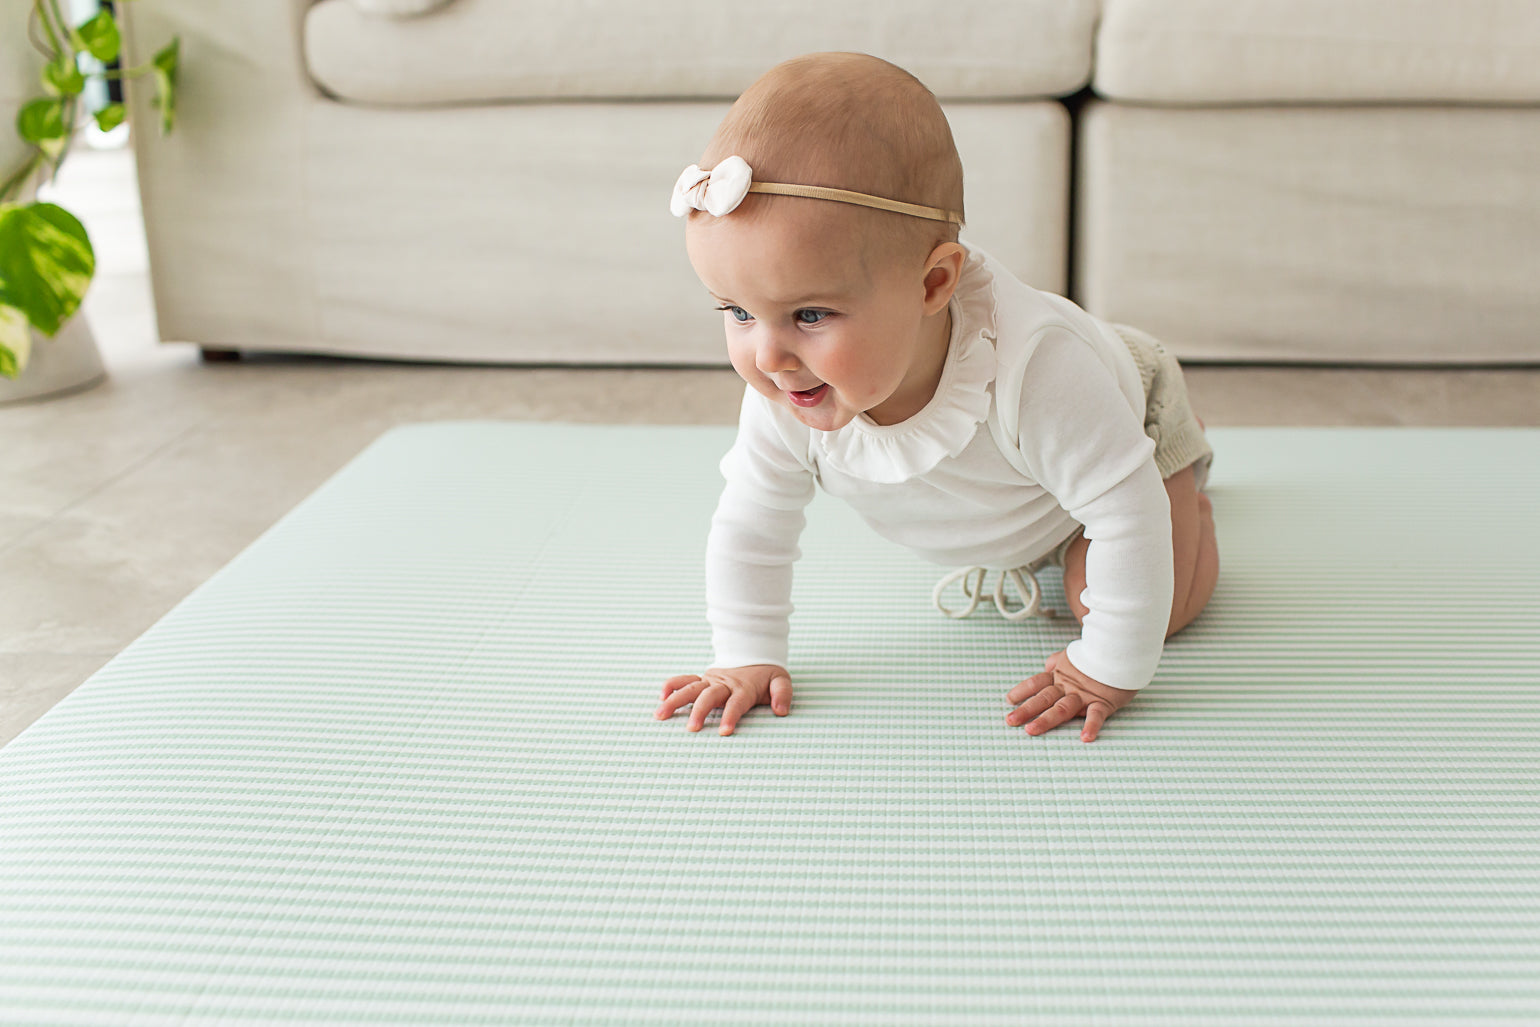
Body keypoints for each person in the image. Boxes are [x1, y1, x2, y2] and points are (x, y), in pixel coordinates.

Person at [655, 52, 1217, 743]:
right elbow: (751, 524)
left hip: (1130, 419)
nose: (766, 356)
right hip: (1023, 487)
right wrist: (745, 652)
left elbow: (1125, 511)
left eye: (808, 315)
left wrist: (1107, 665)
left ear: (933, 285)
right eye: (736, 312)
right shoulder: (789, 385)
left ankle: (1189, 494)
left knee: (1129, 602)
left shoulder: (1037, 371)